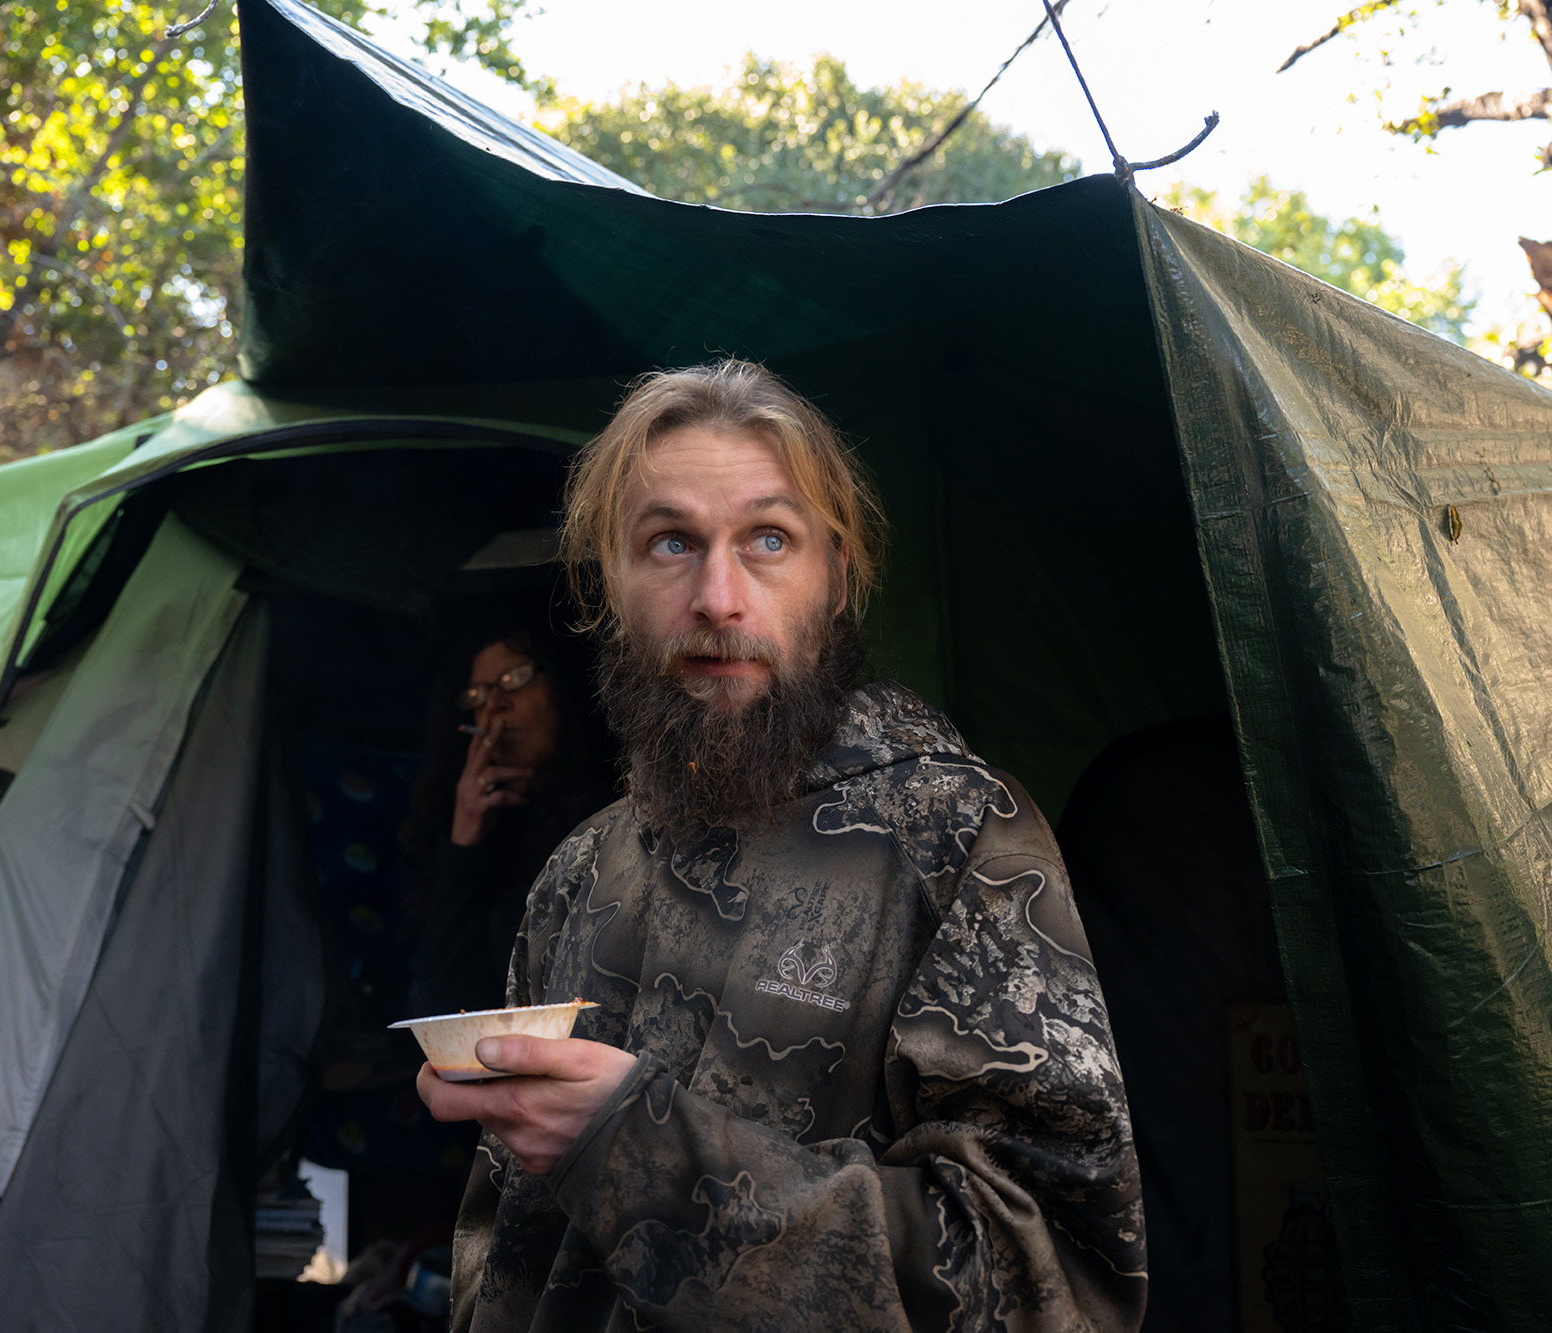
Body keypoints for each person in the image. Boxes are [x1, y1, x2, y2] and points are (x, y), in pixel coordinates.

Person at [416, 360, 1146, 1330]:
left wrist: (630, 1143)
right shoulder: (580, 868)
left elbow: (1052, 1282)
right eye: (669, 541)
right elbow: (500, 1249)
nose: (718, 596)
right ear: (607, 584)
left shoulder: (956, 839)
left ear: (835, 575)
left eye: (767, 538)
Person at [408, 621, 609, 1018]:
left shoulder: (613, 818)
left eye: (514, 678)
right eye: (477, 694)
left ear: (562, 687)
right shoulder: (483, 829)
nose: (494, 703)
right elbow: (449, 1009)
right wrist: (463, 841)